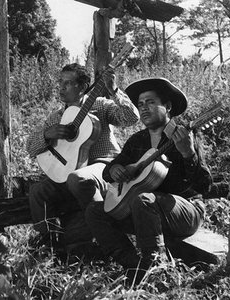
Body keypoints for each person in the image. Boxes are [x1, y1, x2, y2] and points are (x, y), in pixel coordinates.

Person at [85, 77, 212, 283]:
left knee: (143, 200)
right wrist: (115, 169)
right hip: (143, 210)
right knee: (95, 211)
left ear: (168, 106)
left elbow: (203, 186)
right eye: (141, 104)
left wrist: (189, 154)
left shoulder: (185, 135)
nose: (144, 108)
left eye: (151, 102)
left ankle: (154, 266)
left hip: (186, 210)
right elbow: (109, 170)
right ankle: (132, 265)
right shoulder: (137, 140)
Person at [26, 63, 139, 254]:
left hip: (102, 167)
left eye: (68, 83)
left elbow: (131, 118)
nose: (61, 87)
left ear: (83, 85)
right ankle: (50, 244)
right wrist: (47, 134)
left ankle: (111, 241)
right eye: (60, 82)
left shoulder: (100, 105)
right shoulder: (57, 117)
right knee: (38, 191)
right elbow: (30, 148)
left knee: (78, 178)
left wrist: (114, 90)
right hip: (69, 172)